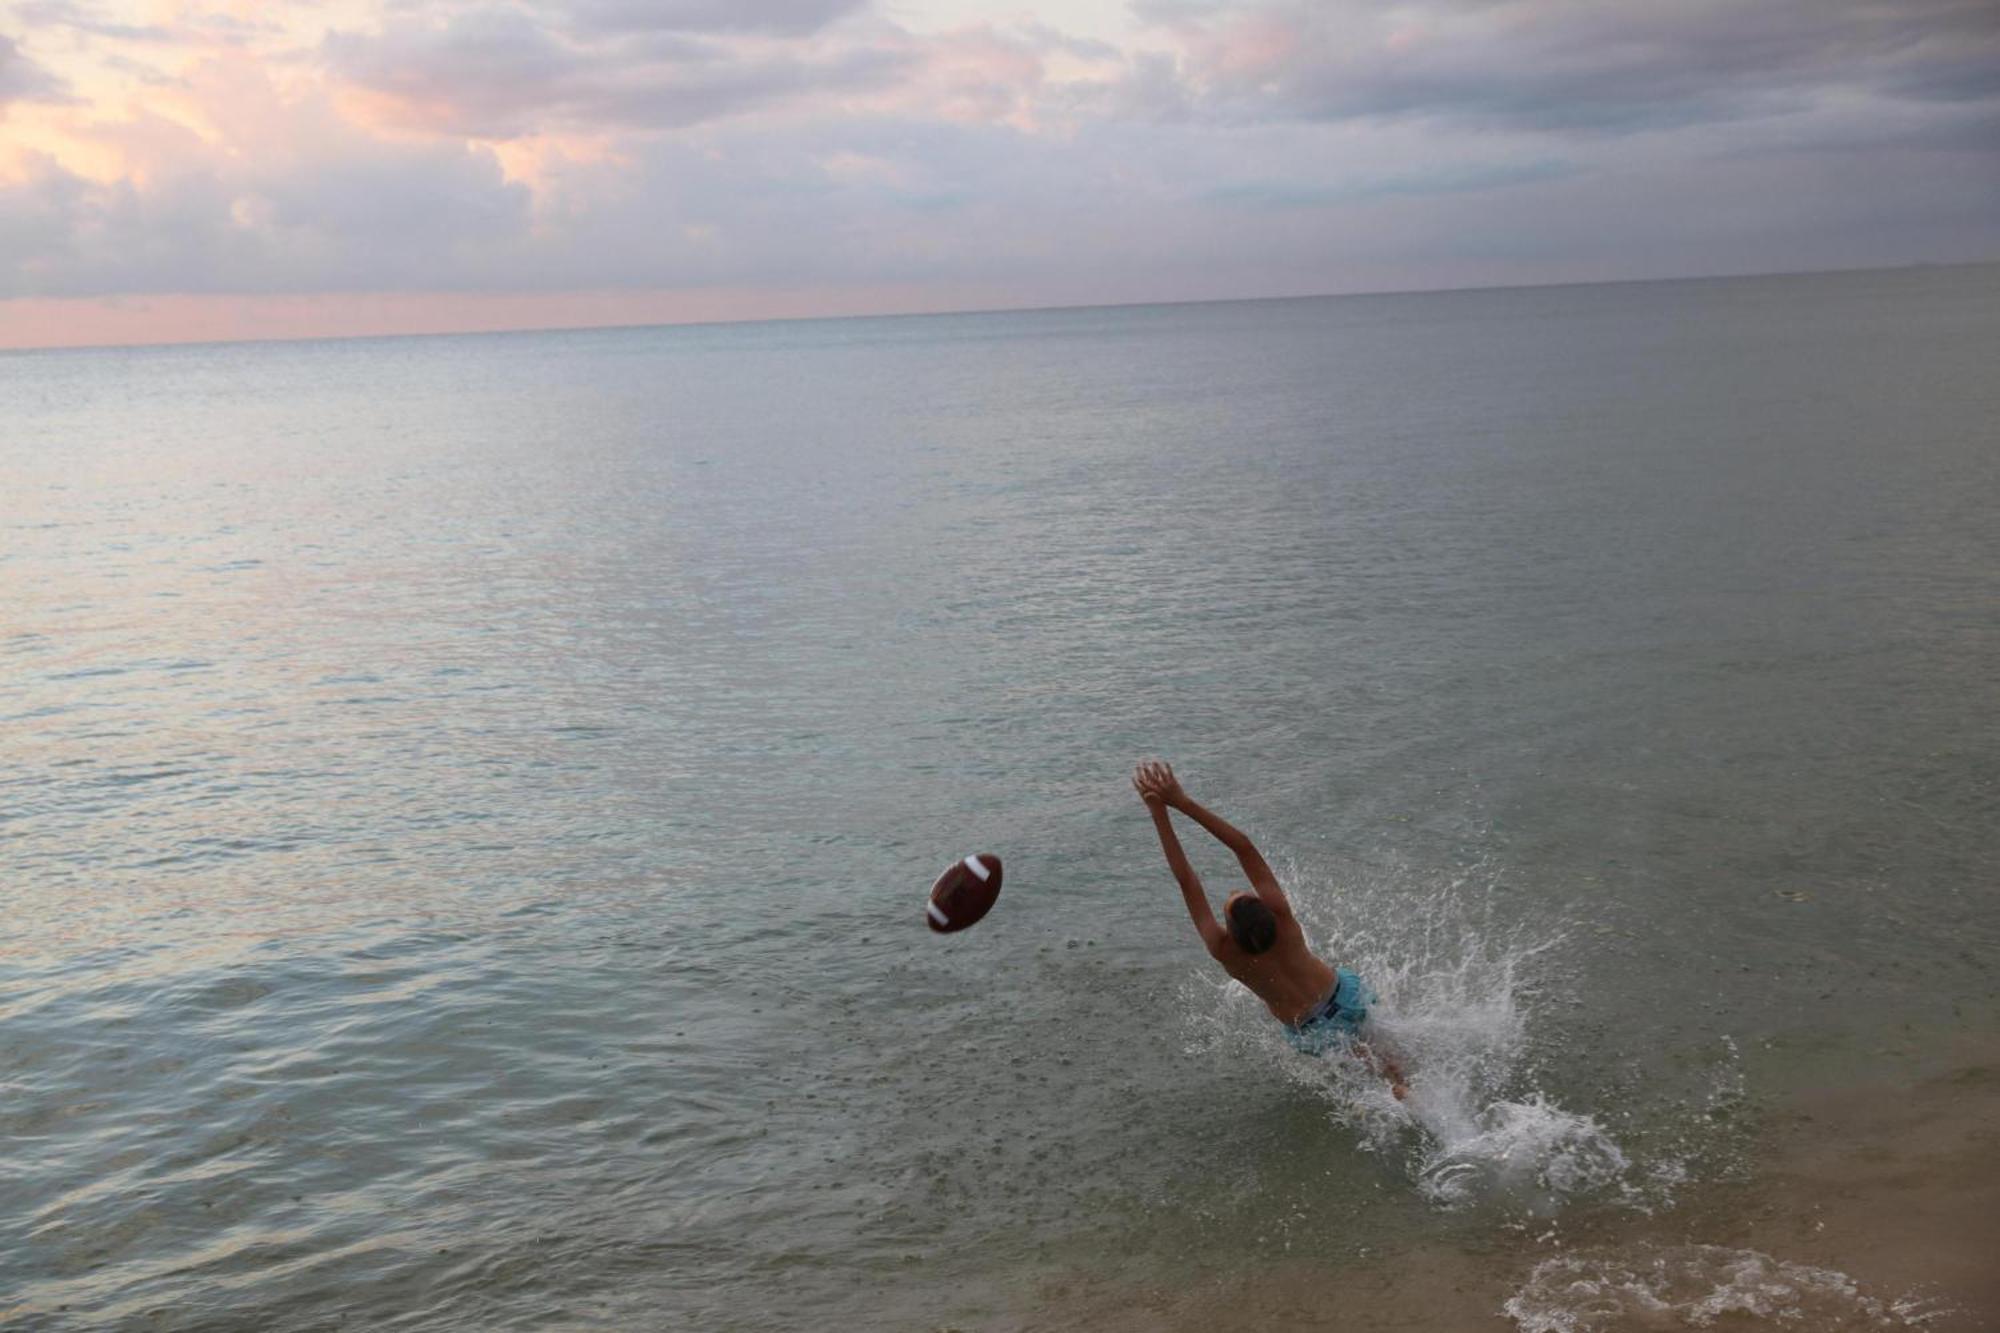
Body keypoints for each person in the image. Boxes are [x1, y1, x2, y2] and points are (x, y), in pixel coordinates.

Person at [1133, 760, 1407, 1099]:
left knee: (1364, 1069)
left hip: (1311, 1031)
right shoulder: (1283, 918)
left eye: (1233, 897)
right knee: (1390, 1060)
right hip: (1346, 996)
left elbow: (1186, 880)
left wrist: (1158, 812)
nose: (1234, 891)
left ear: (1230, 930)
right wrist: (1182, 802)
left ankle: (1393, 1088)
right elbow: (1243, 847)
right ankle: (1404, 1081)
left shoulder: (1224, 950)